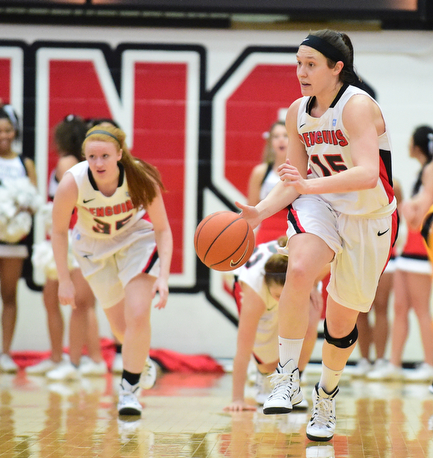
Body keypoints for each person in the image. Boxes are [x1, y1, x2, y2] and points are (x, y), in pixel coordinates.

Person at [235, 29, 397, 442]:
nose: (301, 72)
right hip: (321, 205)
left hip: (368, 215)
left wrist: (308, 186)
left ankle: (326, 394)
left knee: (340, 323)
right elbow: (293, 178)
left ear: (336, 68)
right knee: (300, 268)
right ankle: (286, 377)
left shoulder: (357, 106)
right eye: (298, 63)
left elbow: (364, 174)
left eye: (310, 65)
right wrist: (260, 211)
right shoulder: (297, 112)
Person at [51, 124, 173, 415]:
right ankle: (139, 361)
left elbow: (163, 229)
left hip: (135, 240)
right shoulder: (73, 182)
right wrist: (64, 280)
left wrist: (164, 277)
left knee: (139, 313)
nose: (98, 163)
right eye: (92, 157)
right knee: (121, 329)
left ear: (119, 154)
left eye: (105, 156)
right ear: (84, 157)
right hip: (93, 248)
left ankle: (128, 392)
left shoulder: (140, 176)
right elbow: (57, 231)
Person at [26, 114, 107, 380]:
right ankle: (71, 358)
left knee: (76, 301)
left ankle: (70, 361)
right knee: (66, 300)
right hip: (70, 237)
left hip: (70, 238)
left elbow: (68, 205)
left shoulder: (66, 163)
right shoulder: (79, 163)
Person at [223, 236, 327, 412]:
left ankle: (294, 385)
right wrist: (238, 399)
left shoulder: (305, 271)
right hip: (254, 282)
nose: (284, 302)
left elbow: (331, 261)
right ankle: (264, 375)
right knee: (264, 351)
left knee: (309, 326)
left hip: (301, 279)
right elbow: (243, 349)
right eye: (279, 296)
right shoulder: (255, 292)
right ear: (268, 286)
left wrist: (313, 282)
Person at [368, 126, 433, 382]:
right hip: (408, 249)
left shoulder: (430, 170)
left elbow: (417, 218)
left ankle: (430, 364)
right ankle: (393, 365)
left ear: (417, 146)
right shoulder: (423, 171)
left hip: (421, 249)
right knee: (400, 306)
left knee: (420, 309)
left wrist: (405, 206)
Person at [0, 105, 38, 372]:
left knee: (9, 295)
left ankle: (5, 353)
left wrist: (21, 206)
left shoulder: (25, 163)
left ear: (15, 132)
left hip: (14, 239)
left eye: (7, 130)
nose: (3, 135)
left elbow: (35, 200)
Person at [352, 179, 403, 377]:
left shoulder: (394, 184)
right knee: (360, 309)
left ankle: (381, 360)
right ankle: (364, 360)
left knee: (381, 306)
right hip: (358, 250)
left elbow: (399, 218)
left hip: (385, 250)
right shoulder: (352, 179)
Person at [248, 121, 290, 245]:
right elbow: (251, 208)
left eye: (285, 135)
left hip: (291, 233)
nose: (281, 140)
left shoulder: (302, 171)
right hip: (265, 235)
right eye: (276, 136)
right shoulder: (260, 172)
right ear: (271, 141)